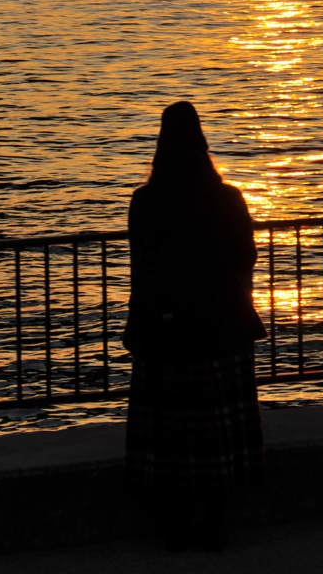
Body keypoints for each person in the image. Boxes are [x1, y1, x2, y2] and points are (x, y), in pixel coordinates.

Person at [123, 101, 266, 550]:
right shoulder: (227, 199)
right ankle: (214, 521)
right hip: (220, 330)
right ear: (203, 145)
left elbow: (139, 262)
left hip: (163, 334)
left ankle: (175, 522)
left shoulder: (145, 201)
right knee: (217, 433)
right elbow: (247, 256)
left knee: (169, 434)